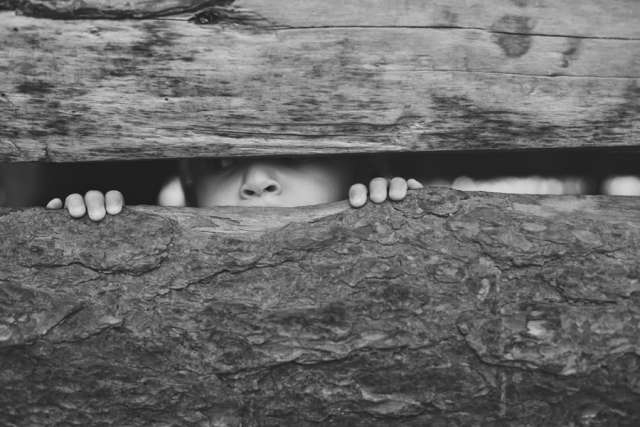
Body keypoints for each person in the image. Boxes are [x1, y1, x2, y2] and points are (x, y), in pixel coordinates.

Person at [45, 156, 423, 221]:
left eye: (293, 155)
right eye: (222, 164)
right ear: (190, 183)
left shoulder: (375, 196)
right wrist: (91, 227)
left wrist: (391, 209)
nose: (256, 182)